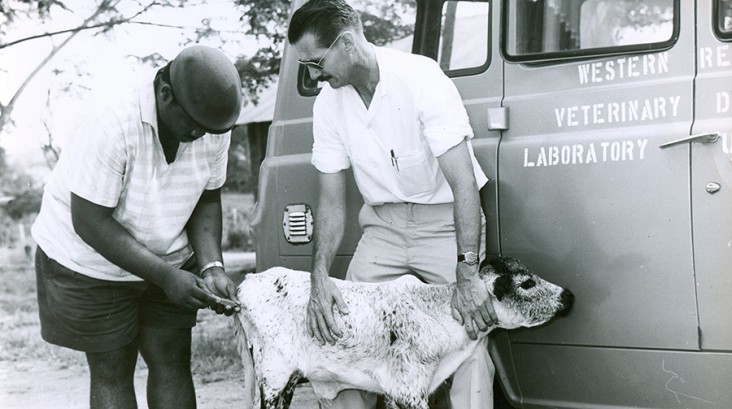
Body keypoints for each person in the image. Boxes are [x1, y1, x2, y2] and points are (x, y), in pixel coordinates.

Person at [287, 1, 497, 408]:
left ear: (346, 44)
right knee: (343, 336)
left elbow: (463, 182)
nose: (313, 76)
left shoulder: (420, 78)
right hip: (382, 229)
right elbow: (330, 201)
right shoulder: (327, 105)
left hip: (444, 225)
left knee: (469, 339)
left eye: (315, 63)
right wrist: (319, 276)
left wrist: (467, 271)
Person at [31, 45, 242, 409]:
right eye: (193, 126)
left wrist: (212, 267)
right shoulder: (110, 119)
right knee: (113, 369)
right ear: (165, 95)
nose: (200, 136)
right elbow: (90, 222)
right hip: (89, 258)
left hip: (168, 255)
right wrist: (165, 277)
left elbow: (207, 196)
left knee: (172, 360)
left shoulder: (209, 122)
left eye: (209, 131)